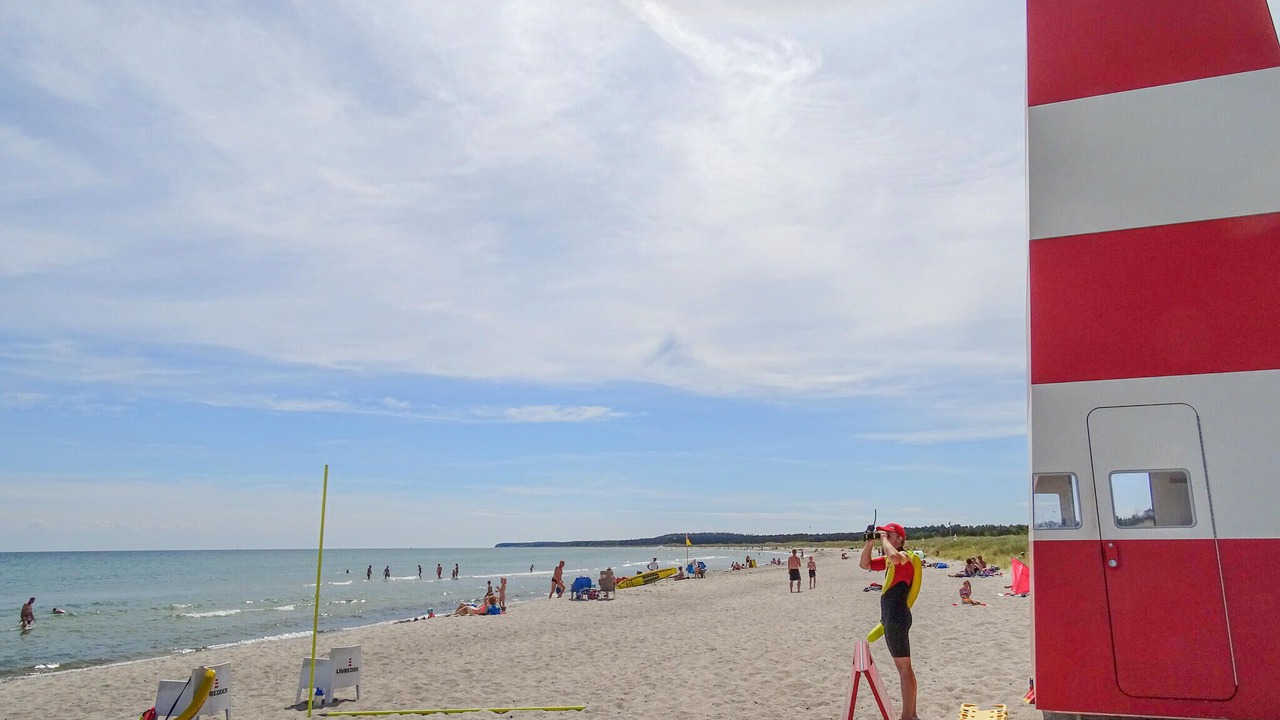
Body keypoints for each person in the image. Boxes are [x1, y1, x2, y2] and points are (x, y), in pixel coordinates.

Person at [860, 522, 920, 720]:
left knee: (904, 669)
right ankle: (910, 714)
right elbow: (865, 564)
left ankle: (908, 716)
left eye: (889, 534)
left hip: (897, 617)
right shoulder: (889, 560)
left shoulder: (905, 557)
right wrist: (870, 542)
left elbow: (895, 557)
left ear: (900, 539)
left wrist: (883, 539)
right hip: (891, 618)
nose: (884, 535)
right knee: (903, 668)